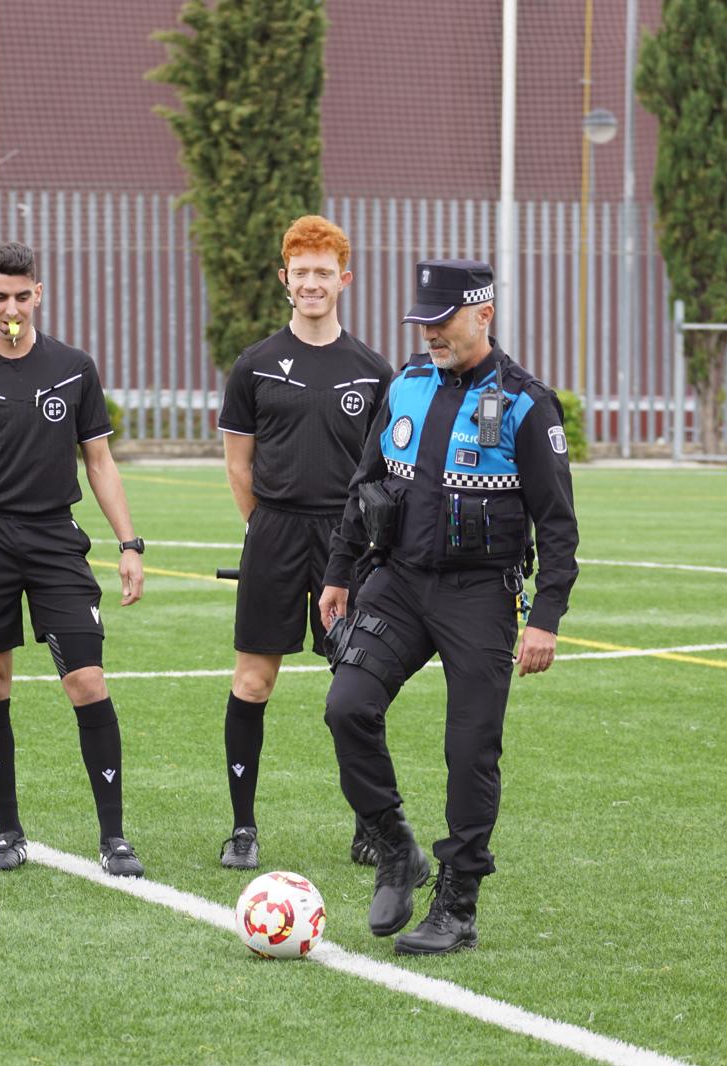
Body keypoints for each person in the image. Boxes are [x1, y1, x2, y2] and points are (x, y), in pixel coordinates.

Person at [318, 259, 578, 954]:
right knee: (347, 707)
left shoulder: (526, 404)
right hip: (398, 583)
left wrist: (545, 616)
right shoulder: (405, 384)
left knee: (469, 752)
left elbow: (558, 525)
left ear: (482, 315)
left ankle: (457, 907)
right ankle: (395, 845)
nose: (430, 334)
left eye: (443, 322)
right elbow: (365, 483)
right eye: (422, 323)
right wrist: (339, 573)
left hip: (479, 595)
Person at [0, 241, 148, 877]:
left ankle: (114, 837)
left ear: (38, 295)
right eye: (0, 297)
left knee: (87, 679)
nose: (11, 308)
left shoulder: (73, 367)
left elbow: (99, 461)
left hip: (54, 539)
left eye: (22, 296)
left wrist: (129, 543)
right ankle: (8, 832)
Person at [214, 215, 393, 871]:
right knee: (254, 681)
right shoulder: (256, 366)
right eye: (301, 272)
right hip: (276, 534)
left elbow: (384, 473)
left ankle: (370, 827)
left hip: (350, 545)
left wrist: (362, 544)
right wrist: (266, 529)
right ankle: (242, 828)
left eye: (324, 272)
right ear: (283, 278)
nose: (312, 283)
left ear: (343, 279)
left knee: (355, 685)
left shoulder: (374, 370)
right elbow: (238, 465)